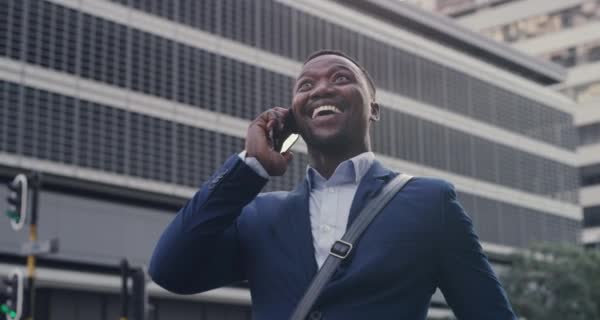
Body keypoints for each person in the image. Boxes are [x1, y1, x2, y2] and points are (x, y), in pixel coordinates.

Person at [149, 50, 517, 319]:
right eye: (306, 85)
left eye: (341, 78)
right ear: (294, 115)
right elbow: (171, 271)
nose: (321, 89)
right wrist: (250, 166)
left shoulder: (430, 201)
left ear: (373, 108)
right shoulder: (260, 215)